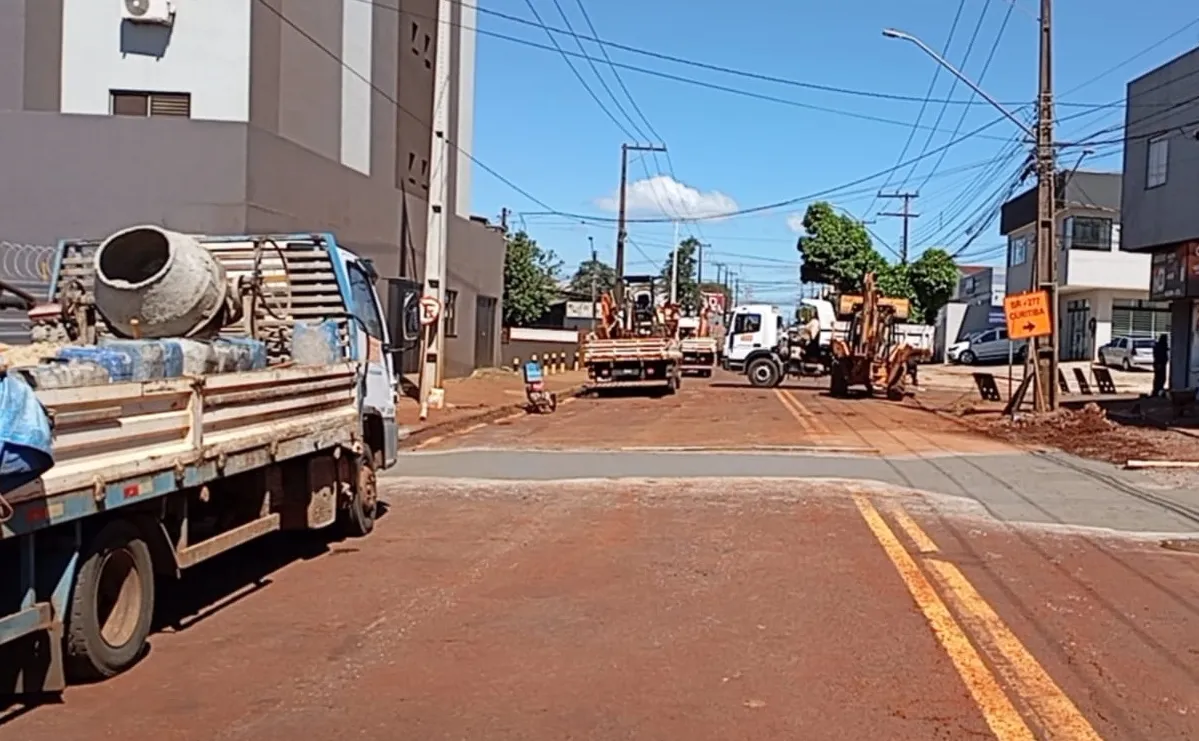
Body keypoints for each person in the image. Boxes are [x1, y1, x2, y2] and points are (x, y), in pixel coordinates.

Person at [1152, 333, 1169, 397]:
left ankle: (1158, 390)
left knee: (1160, 378)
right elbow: (1159, 356)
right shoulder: (1160, 346)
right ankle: (1157, 390)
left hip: (1161, 364)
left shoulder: (1160, 346)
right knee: (1159, 378)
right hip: (1159, 364)